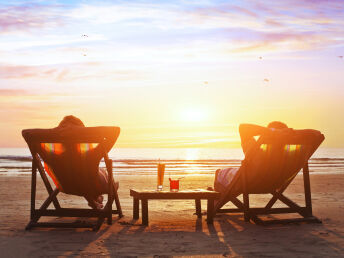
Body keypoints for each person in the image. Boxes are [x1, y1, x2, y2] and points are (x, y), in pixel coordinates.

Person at [57, 115, 116, 210]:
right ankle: (96, 198)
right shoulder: (91, 155)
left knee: (82, 175)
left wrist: (56, 131)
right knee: (100, 174)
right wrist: (83, 131)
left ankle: (93, 200)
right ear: (82, 134)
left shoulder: (56, 156)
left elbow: (26, 133)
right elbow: (115, 131)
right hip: (93, 185)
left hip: (67, 185)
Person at [213, 121, 291, 192]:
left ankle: (215, 201)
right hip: (273, 184)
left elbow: (243, 127)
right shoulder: (288, 157)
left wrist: (273, 132)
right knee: (231, 175)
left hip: (248, 182)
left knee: (220, 174)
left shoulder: (259, 153)